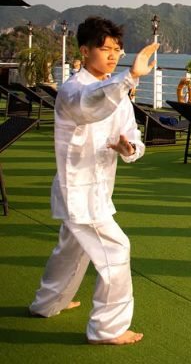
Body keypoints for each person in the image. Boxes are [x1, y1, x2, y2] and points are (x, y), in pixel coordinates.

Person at [29, 17, 158, 345]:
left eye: (117, 50)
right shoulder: (74, 89)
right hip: (78, 191)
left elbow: (132, 136)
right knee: (116, 249)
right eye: (105, 49)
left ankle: (47, 303)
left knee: (71, 249)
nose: (113, 56)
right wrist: (128, 77)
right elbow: (92, 105)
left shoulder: (117, 93)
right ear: (84, 52)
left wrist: (129, 148)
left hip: (97, 191)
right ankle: (107, 328)